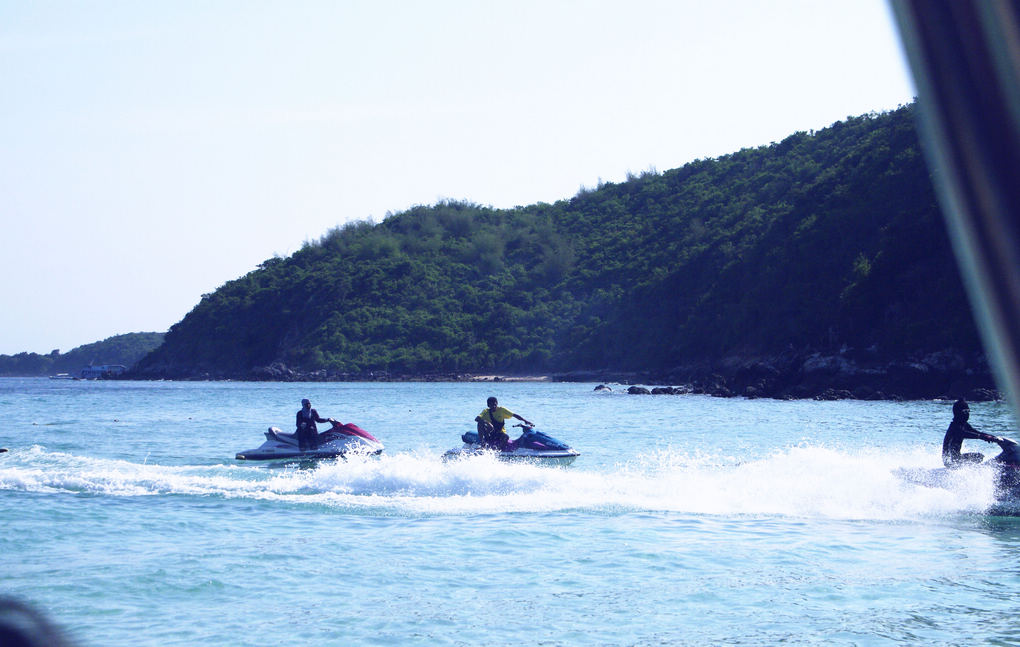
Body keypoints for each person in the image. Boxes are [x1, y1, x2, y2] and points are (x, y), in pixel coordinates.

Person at [942, 399, 1001, 467]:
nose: (967, 414)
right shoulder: (955, 426)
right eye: (965, 411)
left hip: (956, 459)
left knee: (979, 457)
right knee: (979, 457)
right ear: (958, 412)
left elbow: (976, 432)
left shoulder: (963, 424)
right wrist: (982, 437)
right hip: (950, 462)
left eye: (968, 411)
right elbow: (964, 434)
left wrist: (993, 437)